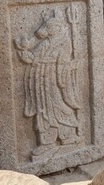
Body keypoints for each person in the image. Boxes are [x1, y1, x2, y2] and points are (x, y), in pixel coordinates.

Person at [15, 9, 81, 146]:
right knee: (42, 108)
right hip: (40, 79)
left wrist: (65, 71)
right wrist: (26, 55)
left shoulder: (64, 43)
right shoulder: (45, 43)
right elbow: (34, 57)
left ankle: (68, 136)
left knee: (58, 104)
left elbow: (64, 62)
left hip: (53, 78)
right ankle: (47, 142)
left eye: (49, 28)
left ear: (56, 29)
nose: (45, 30)